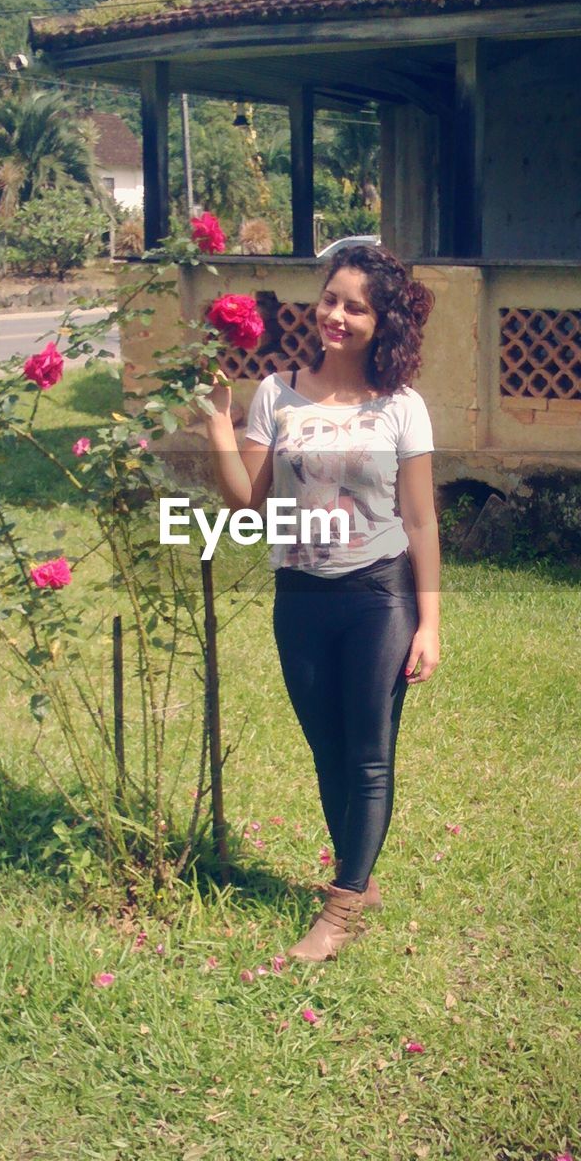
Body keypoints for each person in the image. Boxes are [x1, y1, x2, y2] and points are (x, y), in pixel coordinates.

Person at [201, 244, 440, 963]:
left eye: (355, 306)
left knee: (368, 755)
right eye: (331, 298)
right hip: (299, 597)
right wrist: (218, 421)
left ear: (381, 321)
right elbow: (245, 503)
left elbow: (421, 519)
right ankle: (359, 880)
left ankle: (339, 911)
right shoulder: (278, 393)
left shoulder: (403, 408)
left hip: (380, 595)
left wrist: (429, 620)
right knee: (326, 749)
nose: (335, 315)